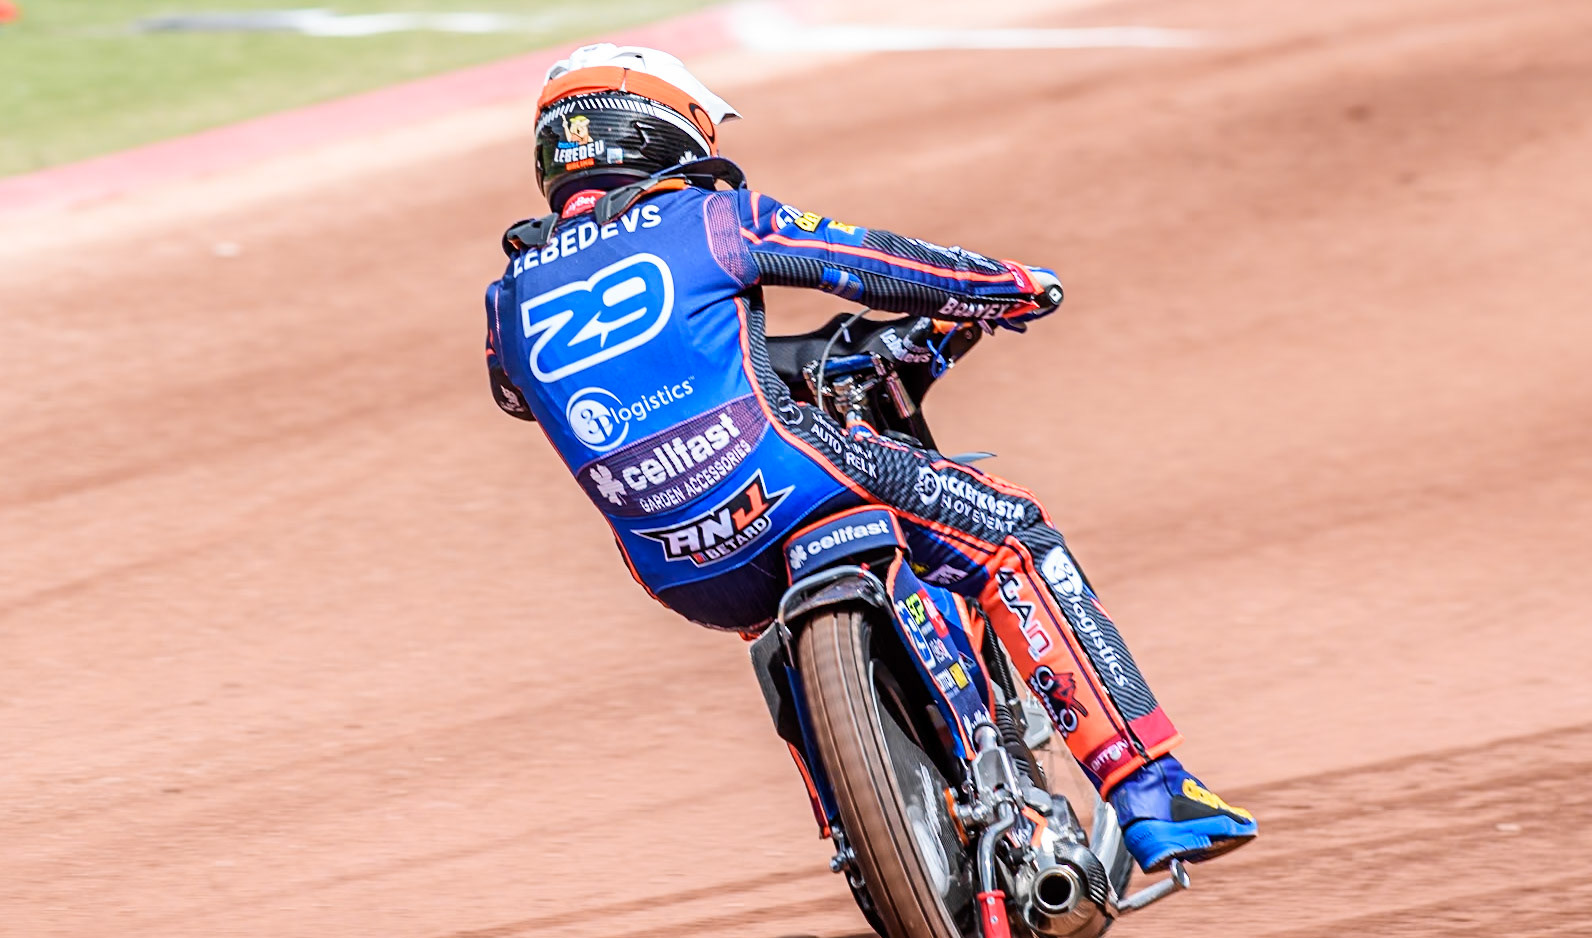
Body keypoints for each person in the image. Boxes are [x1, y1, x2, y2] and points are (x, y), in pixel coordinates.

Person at [481, 43, 1256, 872]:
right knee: (1009, 532)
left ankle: (857, 838)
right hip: (793, 482)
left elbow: (525, 395)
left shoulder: (507, 299)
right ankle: (1147, 786)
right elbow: (867, 261)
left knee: (764, 628)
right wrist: (1006, 286)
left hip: (680, 571)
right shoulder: (708, 218)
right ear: (657, 131)